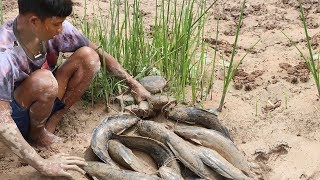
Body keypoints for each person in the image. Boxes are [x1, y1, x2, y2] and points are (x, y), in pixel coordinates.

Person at [0, 0, 151, 178]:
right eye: (57, 24)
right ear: (34, 21)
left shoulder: (51, 29)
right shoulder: (5, 55)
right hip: (15, 114)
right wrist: (42, 165)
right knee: (45, 81)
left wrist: (134, 84)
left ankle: (49, 125)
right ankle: (36, 136)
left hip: (43, 99)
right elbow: (2, 121)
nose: (61, 29)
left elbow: (98, 51)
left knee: (89, 56)